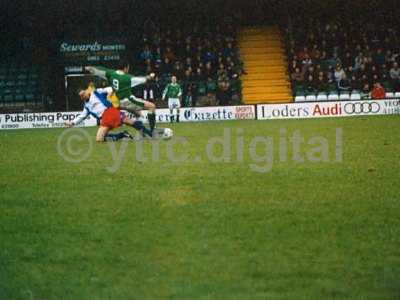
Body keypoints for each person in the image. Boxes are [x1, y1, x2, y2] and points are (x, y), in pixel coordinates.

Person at [85, 59, 157, 133]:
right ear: (126, 68)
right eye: (128, 68)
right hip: (128, 101)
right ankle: (152, 131)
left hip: (118, 102)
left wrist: (90, 68)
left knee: (137, 114)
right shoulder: (127, 78)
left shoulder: (111, 74)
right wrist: (151, 76)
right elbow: (144, 79)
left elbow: (99, 70)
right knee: (152, 106)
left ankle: (142, 129)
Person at [65, 86, 153, 142]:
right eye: (81, 96)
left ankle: (149, 133)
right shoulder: (86, 106)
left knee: (129, 122)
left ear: (86, 91)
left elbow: (109, 89)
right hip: (104, 119)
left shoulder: (96, 92)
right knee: (99, 139)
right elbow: (82, 116)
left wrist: (110, 93)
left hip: (110, 112)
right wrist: (72, 123)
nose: (83, 96)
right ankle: (122, 135)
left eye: (83, 94)